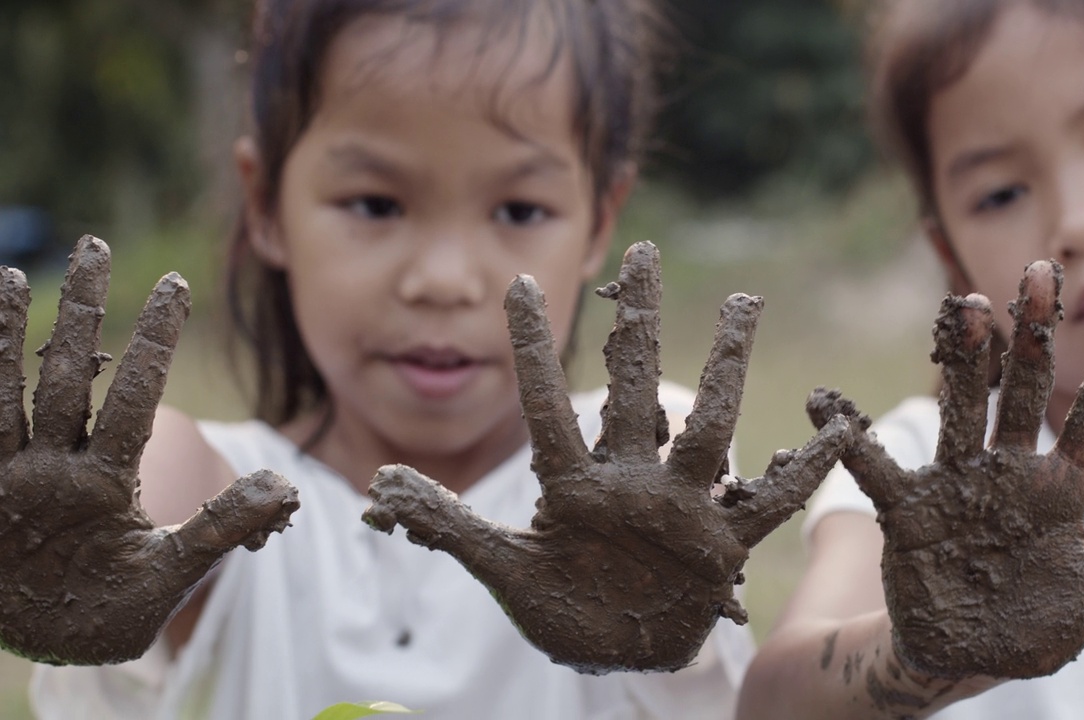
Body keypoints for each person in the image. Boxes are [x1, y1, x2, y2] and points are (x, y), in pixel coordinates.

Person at [24, 0, 761, 717]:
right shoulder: (216, 498)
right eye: (376, 203)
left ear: (601, 219)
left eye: (519, 210)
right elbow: (152, 489)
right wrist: (49, 549)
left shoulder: (652, 492)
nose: (443, 280)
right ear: (267, 206)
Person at [740, 0, 1084, 718]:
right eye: (1000, 193)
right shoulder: (915, 476)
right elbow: (773, 702)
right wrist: (916, 651)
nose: (1076, 222)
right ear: (950, 253)